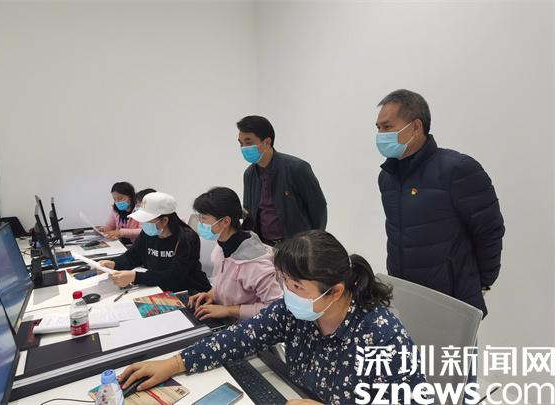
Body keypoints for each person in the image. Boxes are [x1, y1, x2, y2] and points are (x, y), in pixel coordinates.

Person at [118, 230, 426, 404]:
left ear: (335, 291)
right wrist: (175, 363)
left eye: (296, 286)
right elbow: (242, 336)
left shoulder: (381, 335)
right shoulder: (296, 311)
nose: (287, 293)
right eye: (284, 282)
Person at [375, 89, 505, 318]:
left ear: (416, 127)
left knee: (452, 346)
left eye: (387, 127)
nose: (380, 135)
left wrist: (481, 283)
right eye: (378, 128)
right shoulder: (387, 177)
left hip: (452, 302)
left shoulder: (457, 169)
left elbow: (489, 230)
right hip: (407, 298)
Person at [188, 187, 282, 321]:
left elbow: (276, 308)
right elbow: (226, 283)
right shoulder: (221, 247)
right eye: (199, 217)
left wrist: (228, 310)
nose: (200, 223)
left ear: (225, 221)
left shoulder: (255, 265)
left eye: (203, 218)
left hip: (247, 326)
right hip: (225, 319)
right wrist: (211, 294)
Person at [238, 115, 327, 245]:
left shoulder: (297, 168)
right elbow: (249, 214)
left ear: (267, 142)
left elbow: (318, 209)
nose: (243, 148)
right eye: (240, 143)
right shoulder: (249, 174)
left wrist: (313, 243)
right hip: (264, 246)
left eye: (248, 142)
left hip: (296, 247)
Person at [99, 192, 211, 293]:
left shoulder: (187, 239)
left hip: (189, 291)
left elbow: (175, 276)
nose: (143, 224)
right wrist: (114, 264)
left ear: (164, 220)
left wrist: (135, 277)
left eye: (147, 220)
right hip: (159, 287)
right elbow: (132, 256)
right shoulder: (148, 233)